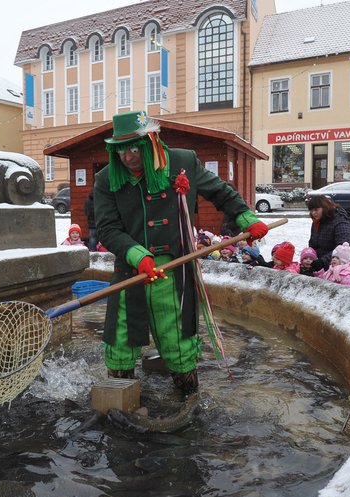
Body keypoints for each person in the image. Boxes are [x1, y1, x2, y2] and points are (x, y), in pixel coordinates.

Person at [93, 110, 270, 395]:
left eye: (134, 147)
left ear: (150, 140)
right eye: (121, 150)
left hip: (175, 271)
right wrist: (138, 256)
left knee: (177, 337)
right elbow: (107, 228)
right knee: (120, 339)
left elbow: (220, 192)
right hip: (131, 269)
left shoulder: (182, 162)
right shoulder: (105, 179)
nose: (128, 157)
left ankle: (186, 394)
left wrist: (246, 218)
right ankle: (119, 395)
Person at [306, 195, 350, 266]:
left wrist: (322, 262)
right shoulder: (318, 221)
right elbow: (313, 242)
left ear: (325, 207)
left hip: (344, 267)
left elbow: (341, 248)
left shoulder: (341, 221)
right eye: (311, 210)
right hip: (324, 264)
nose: (313, 213)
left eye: (316, 210)